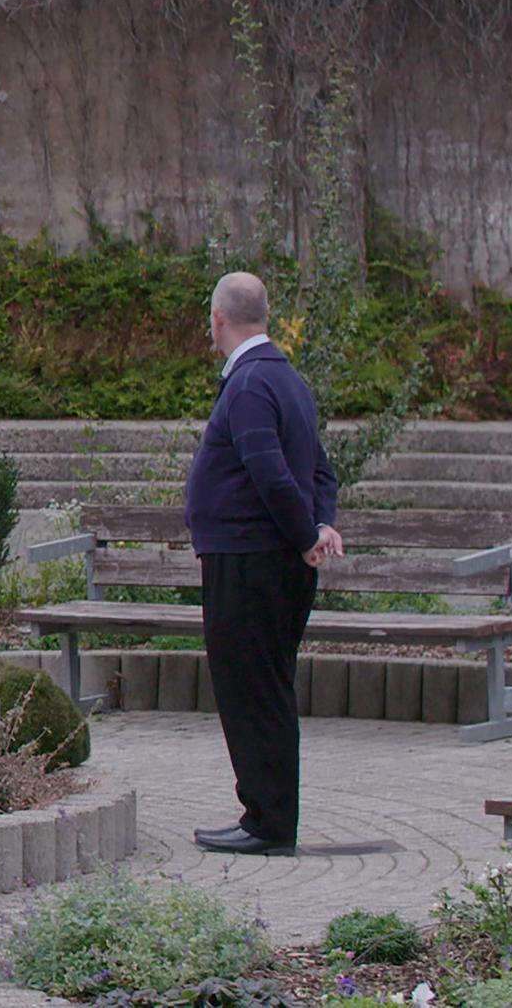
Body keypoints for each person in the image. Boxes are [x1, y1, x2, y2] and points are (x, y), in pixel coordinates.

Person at [185, 272, 340, 857]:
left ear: (219, 318)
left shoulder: (249, 384)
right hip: (267, 559)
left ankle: (266, 822)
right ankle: (268, 814)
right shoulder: (286, 379)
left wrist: (305, 535)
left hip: (250, 561)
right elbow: (320, 471)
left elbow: (270, 472)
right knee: (267, 687)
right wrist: (320, 526)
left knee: (251, 689)